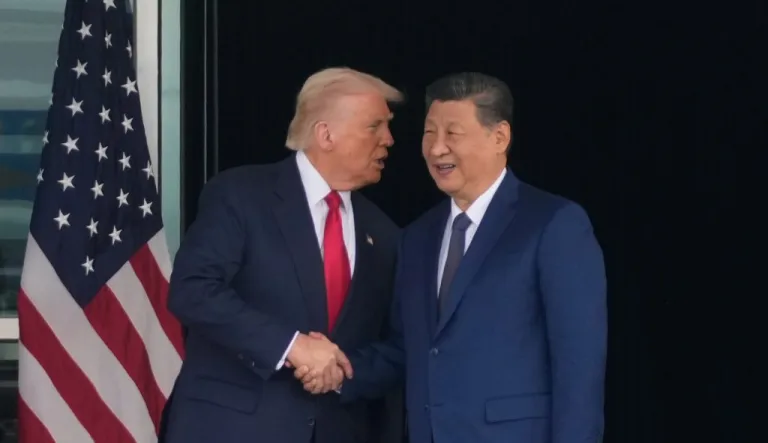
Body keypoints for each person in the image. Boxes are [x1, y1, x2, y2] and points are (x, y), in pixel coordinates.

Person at [296, 72, 608, 443]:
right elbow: (404, 350)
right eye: (429, 133)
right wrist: (334, 373)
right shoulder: (415, 238)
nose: (436, 148)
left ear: (500, 137)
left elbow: (579, 370)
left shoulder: (552, 224)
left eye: (452, 134)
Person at [163, 67, 405, 443]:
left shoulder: (385, 233)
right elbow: (193, 290)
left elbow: (396, 346)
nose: (388, 139)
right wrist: (292, 346)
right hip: (232, 429)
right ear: (326, 134)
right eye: (375, 126)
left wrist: (341, 372)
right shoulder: (241, 195)